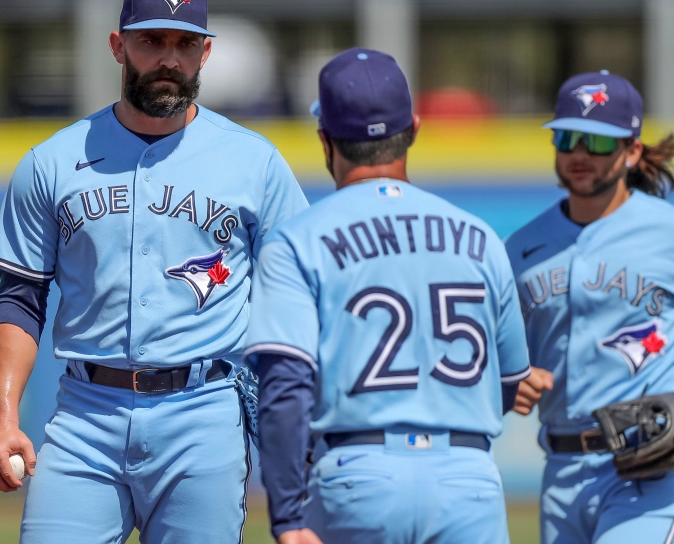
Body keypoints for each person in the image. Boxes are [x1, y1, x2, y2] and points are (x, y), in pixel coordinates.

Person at [0, 0, 308, 542]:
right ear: (117, 45)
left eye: (183, 44)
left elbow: (299, 296)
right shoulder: (52, 161)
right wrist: (4, 418)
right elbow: (20, 299)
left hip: (204, 411)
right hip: (85, 414)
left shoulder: (255, 162)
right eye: (151, 41)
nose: (168, 59)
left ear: (205, 52)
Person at [244, 48, 532, 544]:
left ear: (324, 139)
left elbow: (285, 388)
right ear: (414, 129)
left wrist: (288, 517)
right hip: (467, 480)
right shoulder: (480, 237)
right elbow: (508, 383)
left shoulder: (297, 240)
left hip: (357, 475)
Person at [507, 71, 674, 543]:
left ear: (633, 151)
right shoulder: (521, 249)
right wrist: (509, 379)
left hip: (649, 470)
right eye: (567, 137)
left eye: (598, 142)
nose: (580, 154)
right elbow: (492, 356)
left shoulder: (666, 231)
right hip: (559, 469)